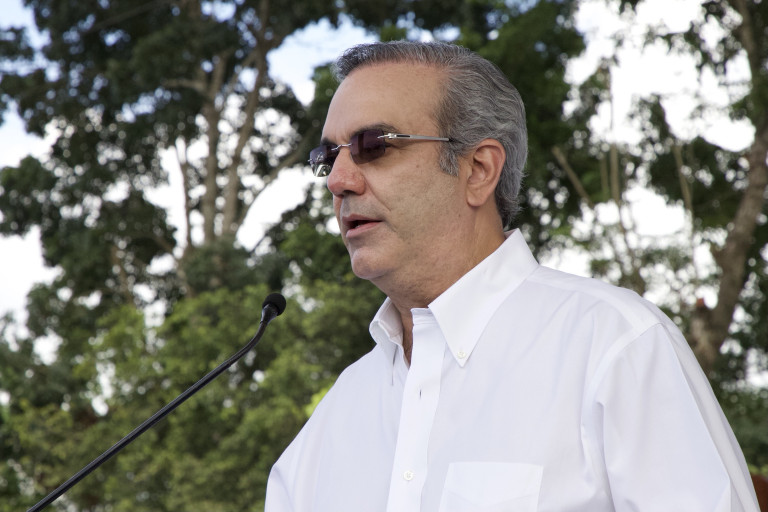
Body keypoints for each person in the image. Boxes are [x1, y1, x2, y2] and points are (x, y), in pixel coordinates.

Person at [265, 40, 760, 512]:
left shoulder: (615, 347)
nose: (338, 181)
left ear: (479, 169)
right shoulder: (331, 424)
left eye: (374, 145)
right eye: (327, 157)